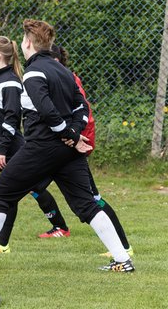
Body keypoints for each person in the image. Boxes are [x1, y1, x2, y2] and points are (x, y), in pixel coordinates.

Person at [0, 18, 135, 273]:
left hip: (43, 147)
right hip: (66, 150)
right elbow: (81, 107)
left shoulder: (33, 72)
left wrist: (69, 135)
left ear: (28, 42)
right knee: (86, 204)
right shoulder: (62, 69)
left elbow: (47, 110)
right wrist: (73, 134)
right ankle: (122, 260)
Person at [0, 35, 70, 272]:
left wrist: (3, 150)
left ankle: (58, 227)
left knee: (31, 188)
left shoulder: (10, 82)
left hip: (9, 148)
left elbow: (11, 120)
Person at [50, 44, 133, 258]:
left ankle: (123, 248)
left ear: (56, 61)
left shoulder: (66, 78)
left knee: (93, 199)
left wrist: (75, 137)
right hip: (61, 145)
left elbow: (80, 112)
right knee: (22, 190)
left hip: (75, 144)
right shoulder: (58, 77)